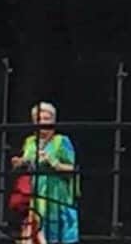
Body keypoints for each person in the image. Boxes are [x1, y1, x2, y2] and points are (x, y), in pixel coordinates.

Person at [11, 102, 78, 244]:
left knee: (57, 233)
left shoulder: (62, 141)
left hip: (56, 195)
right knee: (35, 232)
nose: (44, 123)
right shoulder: (29, 142)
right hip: (35, 195)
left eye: (47, 119)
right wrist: (20, 162)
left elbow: (72, 169)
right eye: (40, 119)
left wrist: (54, 163)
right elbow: (27, 163)